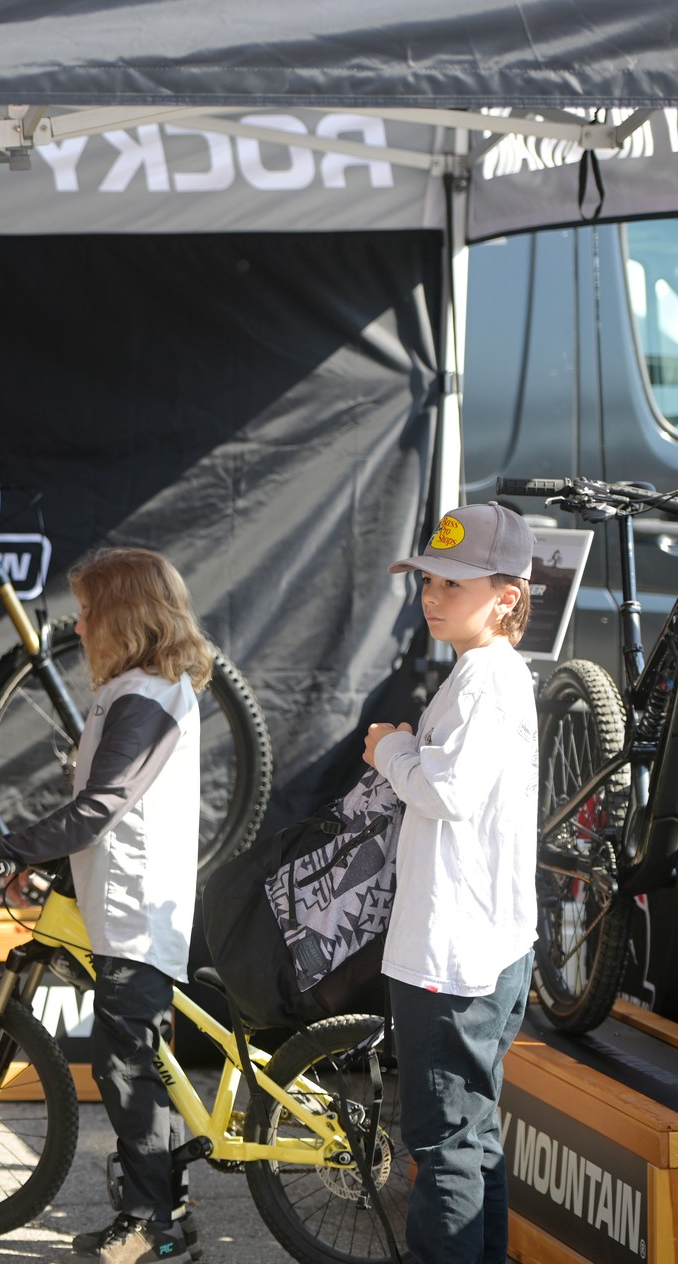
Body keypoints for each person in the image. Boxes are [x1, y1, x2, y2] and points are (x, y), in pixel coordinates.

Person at [0, 547, 209, 1264]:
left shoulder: (143, 695)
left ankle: (150, 1227)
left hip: (137, 913)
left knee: (127, 1068)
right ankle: (170, 1218)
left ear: (123, 616)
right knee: (138, 1064)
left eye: (87, 611)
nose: (77, 625)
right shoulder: (146, 689)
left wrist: (12, 848)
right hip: (132, 906)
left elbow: (100, 808)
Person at [366, 503, 536, 1264]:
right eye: (429, 580)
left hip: (454, 958)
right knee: (470, 1141)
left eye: (453, 584)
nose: (433, 597)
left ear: (507, 595)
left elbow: (448, 792)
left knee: (446, 1150)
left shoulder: (487, 681)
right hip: (476, 948)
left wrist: (393, 752)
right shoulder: (485, 674)